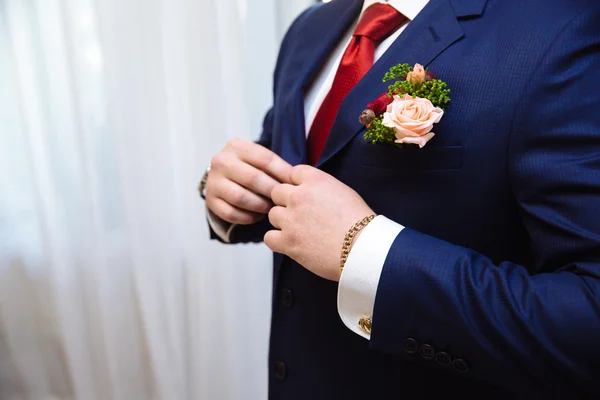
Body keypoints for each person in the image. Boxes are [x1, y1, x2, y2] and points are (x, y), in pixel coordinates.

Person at [198, 0, 600, 398]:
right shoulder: (311, 26)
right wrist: (228, 194)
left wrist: (363, 249)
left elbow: (588, 314)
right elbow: (300, 176)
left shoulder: (563, 29)